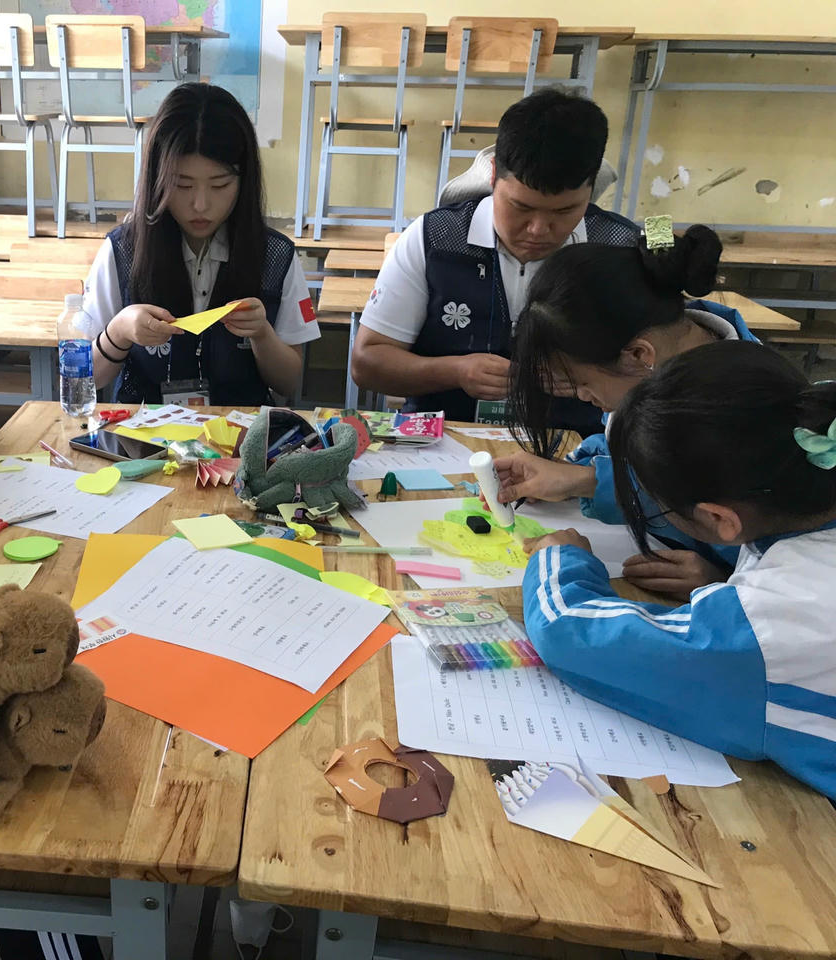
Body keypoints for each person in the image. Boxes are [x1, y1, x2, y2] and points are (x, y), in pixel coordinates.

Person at [522, 340, 836, 800]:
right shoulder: (812, 477)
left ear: (720, 518)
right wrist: (720, 580)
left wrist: (557, 560)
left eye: (658, 505)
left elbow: (570, 635)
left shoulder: (774, 622)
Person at [350, 88, 640, 432]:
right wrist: (456, 371)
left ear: (590, 190)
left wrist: (592, 376)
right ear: (492, 176)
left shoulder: (620, 249)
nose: (538, 230)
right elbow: (366, 363)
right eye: (520, 207)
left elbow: (667, 374)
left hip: (575, 447)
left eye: (564, 212)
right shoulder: (433, 238)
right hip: (444, 441)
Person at [495, 225, 757, 598]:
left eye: (582, 383)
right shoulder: (658, 362)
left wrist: (726, 579)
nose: (582, 396)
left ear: (637, 355)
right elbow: (626, 448)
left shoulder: (752, 414)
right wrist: (579, 475)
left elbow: (795, 563)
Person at [80, 83, 319, 405]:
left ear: (244, 180)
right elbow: (84, 380)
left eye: (220, 185)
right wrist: (118, 332)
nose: (201, 205)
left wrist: (262, 333)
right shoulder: (122, 250)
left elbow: (289, 383)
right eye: (182, 185)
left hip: (241, 431)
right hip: (146, 430)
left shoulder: (275, 256)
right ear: (157, 179)